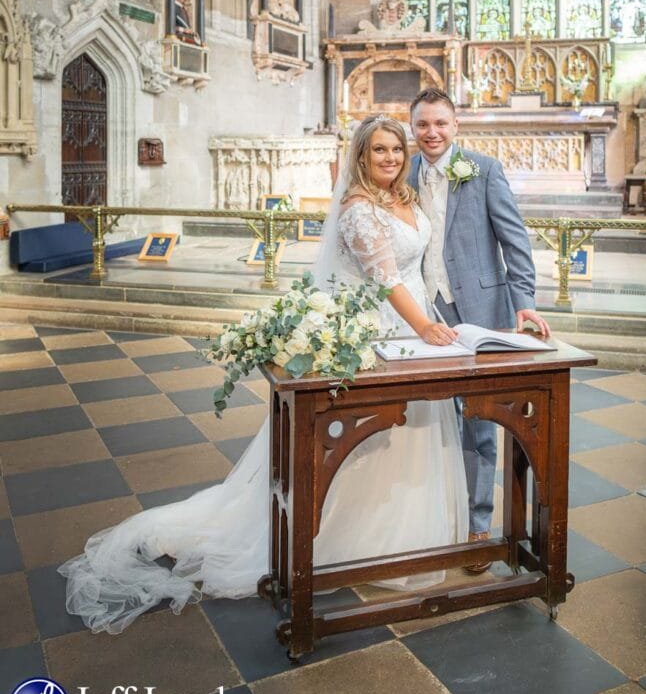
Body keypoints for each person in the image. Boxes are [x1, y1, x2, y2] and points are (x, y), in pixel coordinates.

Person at [58, 115, 468, 634]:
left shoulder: (404, 199)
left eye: (395, 149)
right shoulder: (359, 211)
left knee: (411, 434)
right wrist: (427, 327)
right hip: (385, 330)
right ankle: (348, 542)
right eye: (378, 150)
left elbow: (421, 265)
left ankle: (401, 542)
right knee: (375, 439)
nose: (389, 157)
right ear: (361, 156)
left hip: (414, 324)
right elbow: (386, 280)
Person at [408, 88, 550, 573]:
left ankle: (478, 525)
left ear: (455, 126)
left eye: (440, 124)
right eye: (424, 124)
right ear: (413, 127)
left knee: (479, 422)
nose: (432, 133)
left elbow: (516, 242)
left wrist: (525, 303)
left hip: (479, 310)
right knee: (422, 417)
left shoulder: (484, 170)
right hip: (419, 312)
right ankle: (430, 515)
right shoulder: (401, 172)